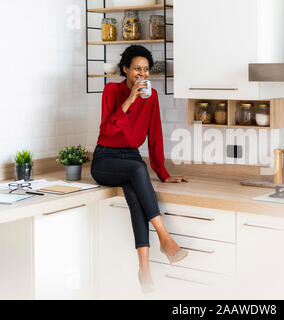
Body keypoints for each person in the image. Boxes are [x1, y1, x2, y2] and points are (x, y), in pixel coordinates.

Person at [90, 45, 189, 292]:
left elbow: (155, 134)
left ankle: (144, 269)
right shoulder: (111, 90)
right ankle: (165, 238)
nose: (142, 74)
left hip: (131, 160)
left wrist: (163, 173)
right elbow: (107, 130)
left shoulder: (152, 97)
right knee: (136, 171)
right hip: (105, 160)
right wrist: (131, 98)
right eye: (137, 69)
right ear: (125, 70)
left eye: (146, 70)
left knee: (135, 194)